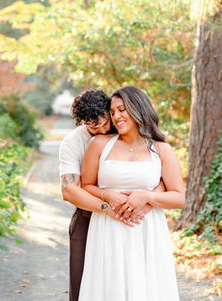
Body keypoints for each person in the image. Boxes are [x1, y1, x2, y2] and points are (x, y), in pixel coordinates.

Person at [78, 86, 185, 301]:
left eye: (121, 110)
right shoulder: (99, 144)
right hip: (108, 229)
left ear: (138, 109)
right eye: (113, 112)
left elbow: (179, 197)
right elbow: (86, 186)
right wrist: (108, 195)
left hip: (146, 230)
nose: (116, 116)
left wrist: (147, 197)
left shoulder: (161, 149)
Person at [59, 89, 158, 301]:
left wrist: (147, 202)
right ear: (82, 123)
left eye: (107, 123)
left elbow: (161, 175)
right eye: (94, 128)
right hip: (88, 217)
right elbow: (69, 189)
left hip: (134, 217)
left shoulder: (131, 130)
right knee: (83, 285)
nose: (103, 130)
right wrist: (107, 207)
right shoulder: (73, 142)